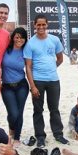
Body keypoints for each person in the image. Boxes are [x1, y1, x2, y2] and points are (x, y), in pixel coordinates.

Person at [24, 15, 69, 148]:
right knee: (38, 110)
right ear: (34, 25)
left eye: (44, 25)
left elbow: (60, 59)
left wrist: (51, 69)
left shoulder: (54, 40)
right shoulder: (30, 43)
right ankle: (40, 137)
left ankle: (58, 134)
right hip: (37, 81)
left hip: (53, 80)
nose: (41, 27)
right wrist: (32, 86)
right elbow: (28, 67)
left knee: (54, 109)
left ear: (47, 25)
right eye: (39, 25)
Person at [0, 27, 30, 145]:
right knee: (13, 114)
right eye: (17, 37)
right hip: (7, 86)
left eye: (22, 37)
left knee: (20, 112)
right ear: (12, 38)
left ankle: (16, 137)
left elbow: (29, 67)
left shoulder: (25, 51)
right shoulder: (5, 50)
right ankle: (11, 128)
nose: (19, 39)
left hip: (21, 85)